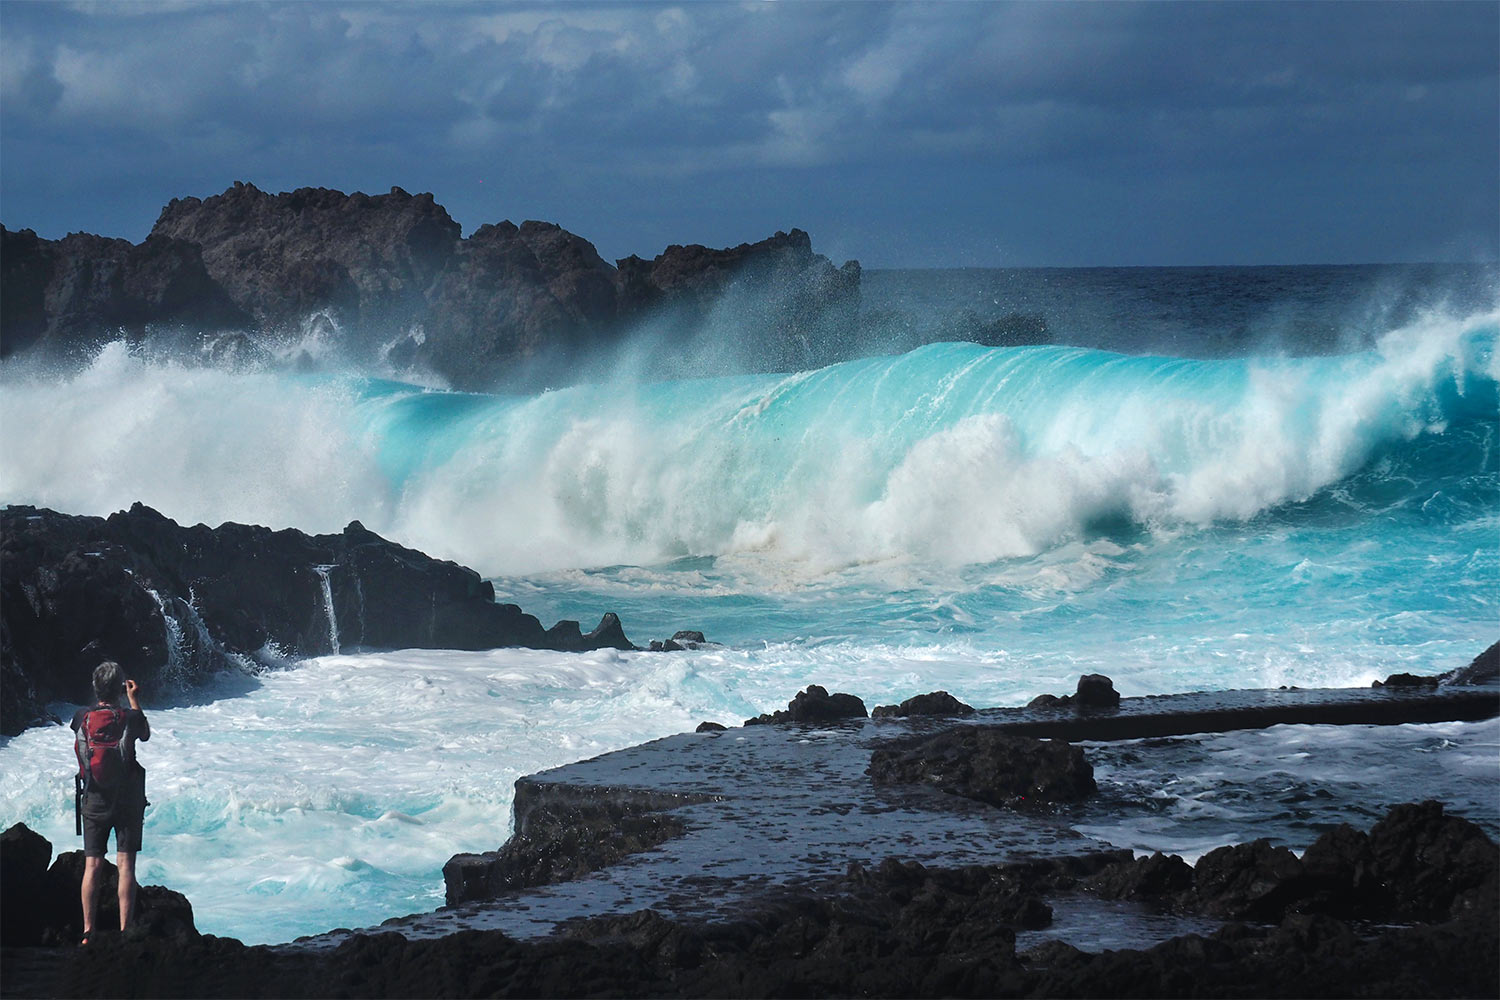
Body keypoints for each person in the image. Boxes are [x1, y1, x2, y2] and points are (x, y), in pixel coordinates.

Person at [70, 661, 150, 945]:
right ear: (118, 687)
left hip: (93, 798)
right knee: (126, 865)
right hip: (127, 799)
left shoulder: (81, 717)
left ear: (95, 687)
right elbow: (145, 733)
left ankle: (88, 932)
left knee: (93, 865)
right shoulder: (129, 717)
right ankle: (125, 930)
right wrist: (133, 698)